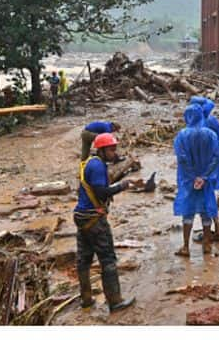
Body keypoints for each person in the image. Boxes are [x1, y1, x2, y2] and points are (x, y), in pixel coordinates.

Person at [74, 133, 135, 312]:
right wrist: (122, 186)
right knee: (107, 259)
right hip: (94, 219)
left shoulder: (89, 163)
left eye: (114, 149)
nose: (114, 153)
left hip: (82, 216)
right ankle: (115, 301)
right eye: (111, 149)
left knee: (84, 259)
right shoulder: (98, 166)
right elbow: (101, 192)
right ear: (101, 150)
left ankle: (86, 298)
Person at [173, 104, 219, 258]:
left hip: (188, 180)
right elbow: (215, 158)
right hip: (206, 181)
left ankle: (186, 247)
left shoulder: (182, 135)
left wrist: (193, 177)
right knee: (206, 211)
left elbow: (182, 158)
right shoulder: (211, 135)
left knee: (188, 212)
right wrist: (204, 177)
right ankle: (206, 244)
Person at [191, 96, 219, 242]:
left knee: (205, 198)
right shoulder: (211, 120)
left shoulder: (203, 124)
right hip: (213, 165)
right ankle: (217, 227)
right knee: (208, 196)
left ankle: (211, 234)